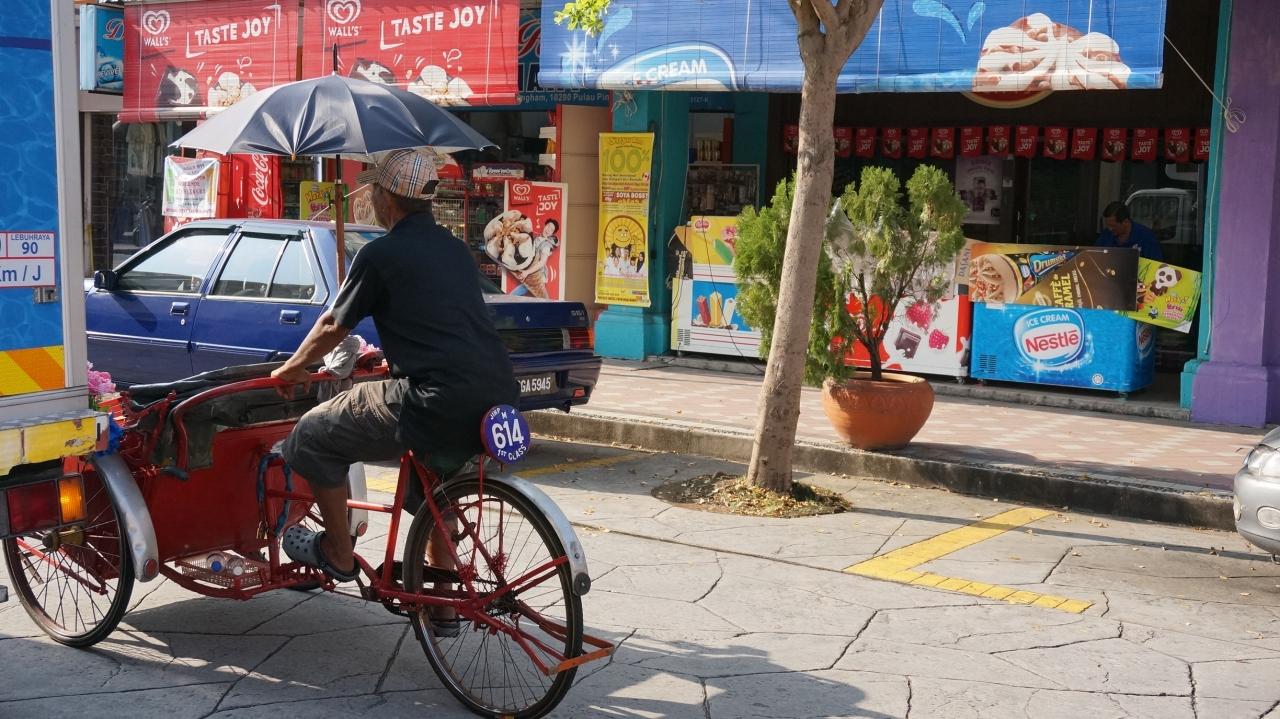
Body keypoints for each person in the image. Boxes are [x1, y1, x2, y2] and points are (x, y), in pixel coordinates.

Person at [271, 149, 519, 584]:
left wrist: (291, 367)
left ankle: (338, 552)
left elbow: (332, 325)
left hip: (433, 399)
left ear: (386, 198)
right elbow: (440, 321)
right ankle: (443, 602)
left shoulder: (380, 255)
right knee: (438, 494)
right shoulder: (457, 251)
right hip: (496, 393)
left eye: (374, 192)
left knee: (310, 435)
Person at [1096, 201, 1163, 260]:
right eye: (1108, 225)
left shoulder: (1147, 238)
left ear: (1125, 222)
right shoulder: (1105, 235)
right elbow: (1096, 257)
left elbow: (1156, 266)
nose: (1109, 229)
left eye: (1113, 226)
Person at [512, 218, 558, 298]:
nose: (548, 230)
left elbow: (542, 262)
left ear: (552, 233)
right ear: (545, 225)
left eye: (551, 230)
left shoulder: (546, 245)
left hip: (537, 277)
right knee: (541, 300)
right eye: (548, 226)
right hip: (532, 275)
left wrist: (527, 272)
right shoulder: (537, 237)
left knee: (512, 296)